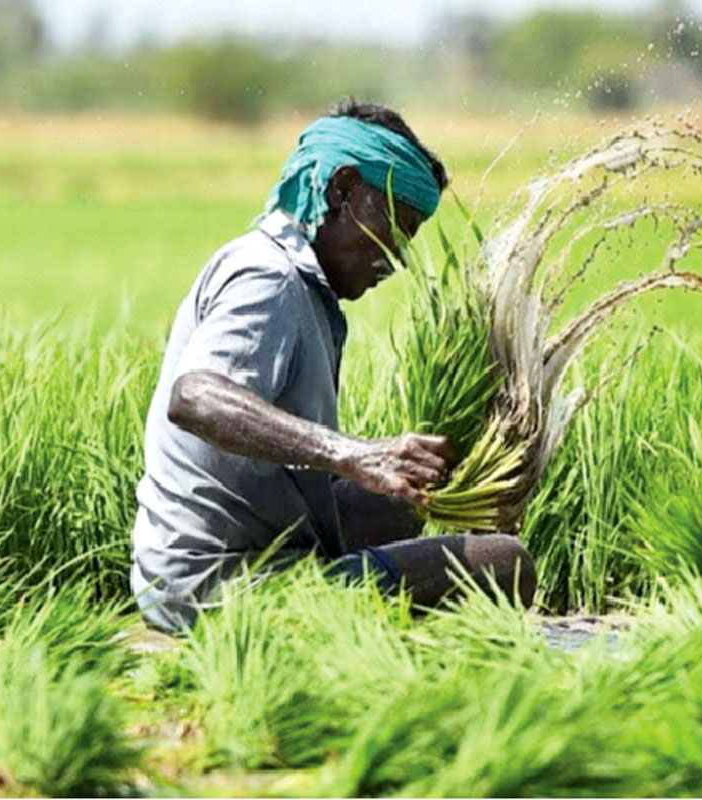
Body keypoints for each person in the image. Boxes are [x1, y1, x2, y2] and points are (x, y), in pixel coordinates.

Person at [130, 99, 535, 634]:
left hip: (210, 572)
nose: (397, 259)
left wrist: (425, 481)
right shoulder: (269, 278)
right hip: (221, 588)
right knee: (506, 563)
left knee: (403, 509)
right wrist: (353, 453)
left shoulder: (300, 286)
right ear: (341, 190)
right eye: (397, 227)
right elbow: (195, 398)